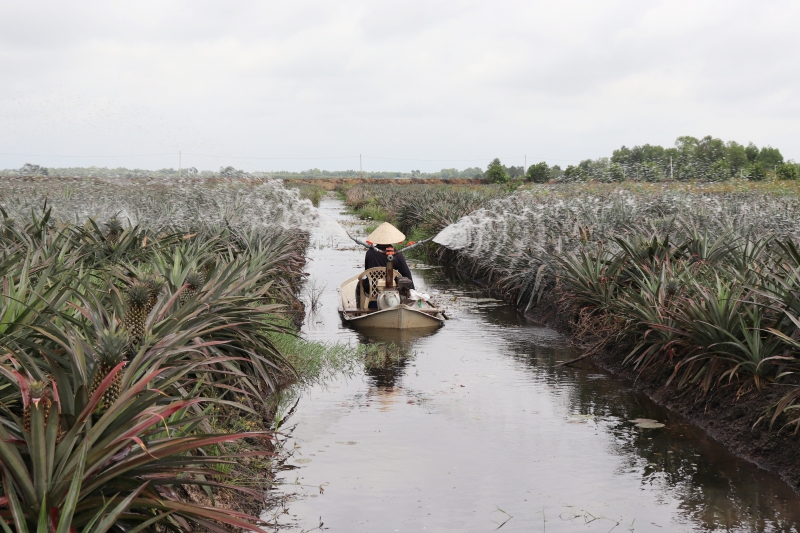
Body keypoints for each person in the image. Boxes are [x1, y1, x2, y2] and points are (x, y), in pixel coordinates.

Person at [358, 222, 415, 308]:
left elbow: (367, 270)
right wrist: (413, 291)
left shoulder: (369, 253)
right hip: (392, 290)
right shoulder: (396, 254)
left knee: (359, 285)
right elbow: (406, 274)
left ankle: (361, 308)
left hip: (372, 288)